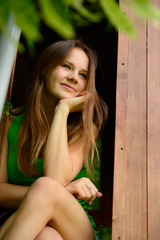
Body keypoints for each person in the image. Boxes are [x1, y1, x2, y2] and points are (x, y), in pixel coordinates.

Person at [0, 39, 108, 240]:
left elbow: (55, 179)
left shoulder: (85, 129)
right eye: (66, 66)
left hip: (73, 226)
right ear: (44, 69)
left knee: (46, 187)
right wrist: (52, 194)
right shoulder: (9, 122)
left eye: (82, 75)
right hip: (25, 223)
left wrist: (63, 109)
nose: (74, 77)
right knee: (47, 237)